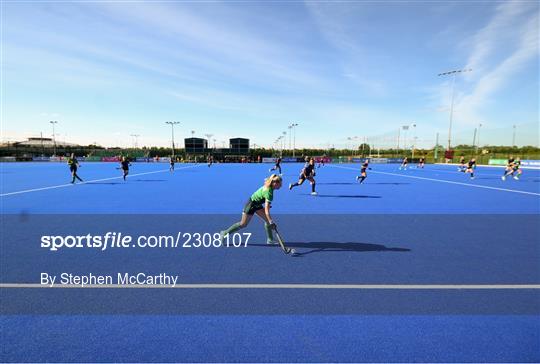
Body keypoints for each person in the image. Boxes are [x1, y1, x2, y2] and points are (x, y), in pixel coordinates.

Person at [220, 174, 283, 245]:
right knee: (243, 224)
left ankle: (270, 239)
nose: (281, 186)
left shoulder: (268, 185)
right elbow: (267, 211)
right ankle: (224, 233)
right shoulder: (269, 192)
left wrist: (267, 207)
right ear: (275, 183)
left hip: (257, 205)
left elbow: (262, 198)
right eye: (280, 184)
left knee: (267, 221)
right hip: (251, 205)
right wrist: (271, 222)